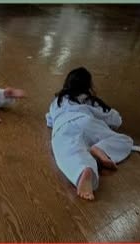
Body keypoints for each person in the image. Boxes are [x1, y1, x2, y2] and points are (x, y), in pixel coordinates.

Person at [46, 67, 133, 201]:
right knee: (125, 141)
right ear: (89, 85)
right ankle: (100, 149)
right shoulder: (91, 101)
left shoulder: (57, 101)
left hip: (63, 126)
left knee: (67, 152)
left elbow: (49, 120)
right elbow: (116, 120)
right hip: (87, 122)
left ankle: (83, 171)